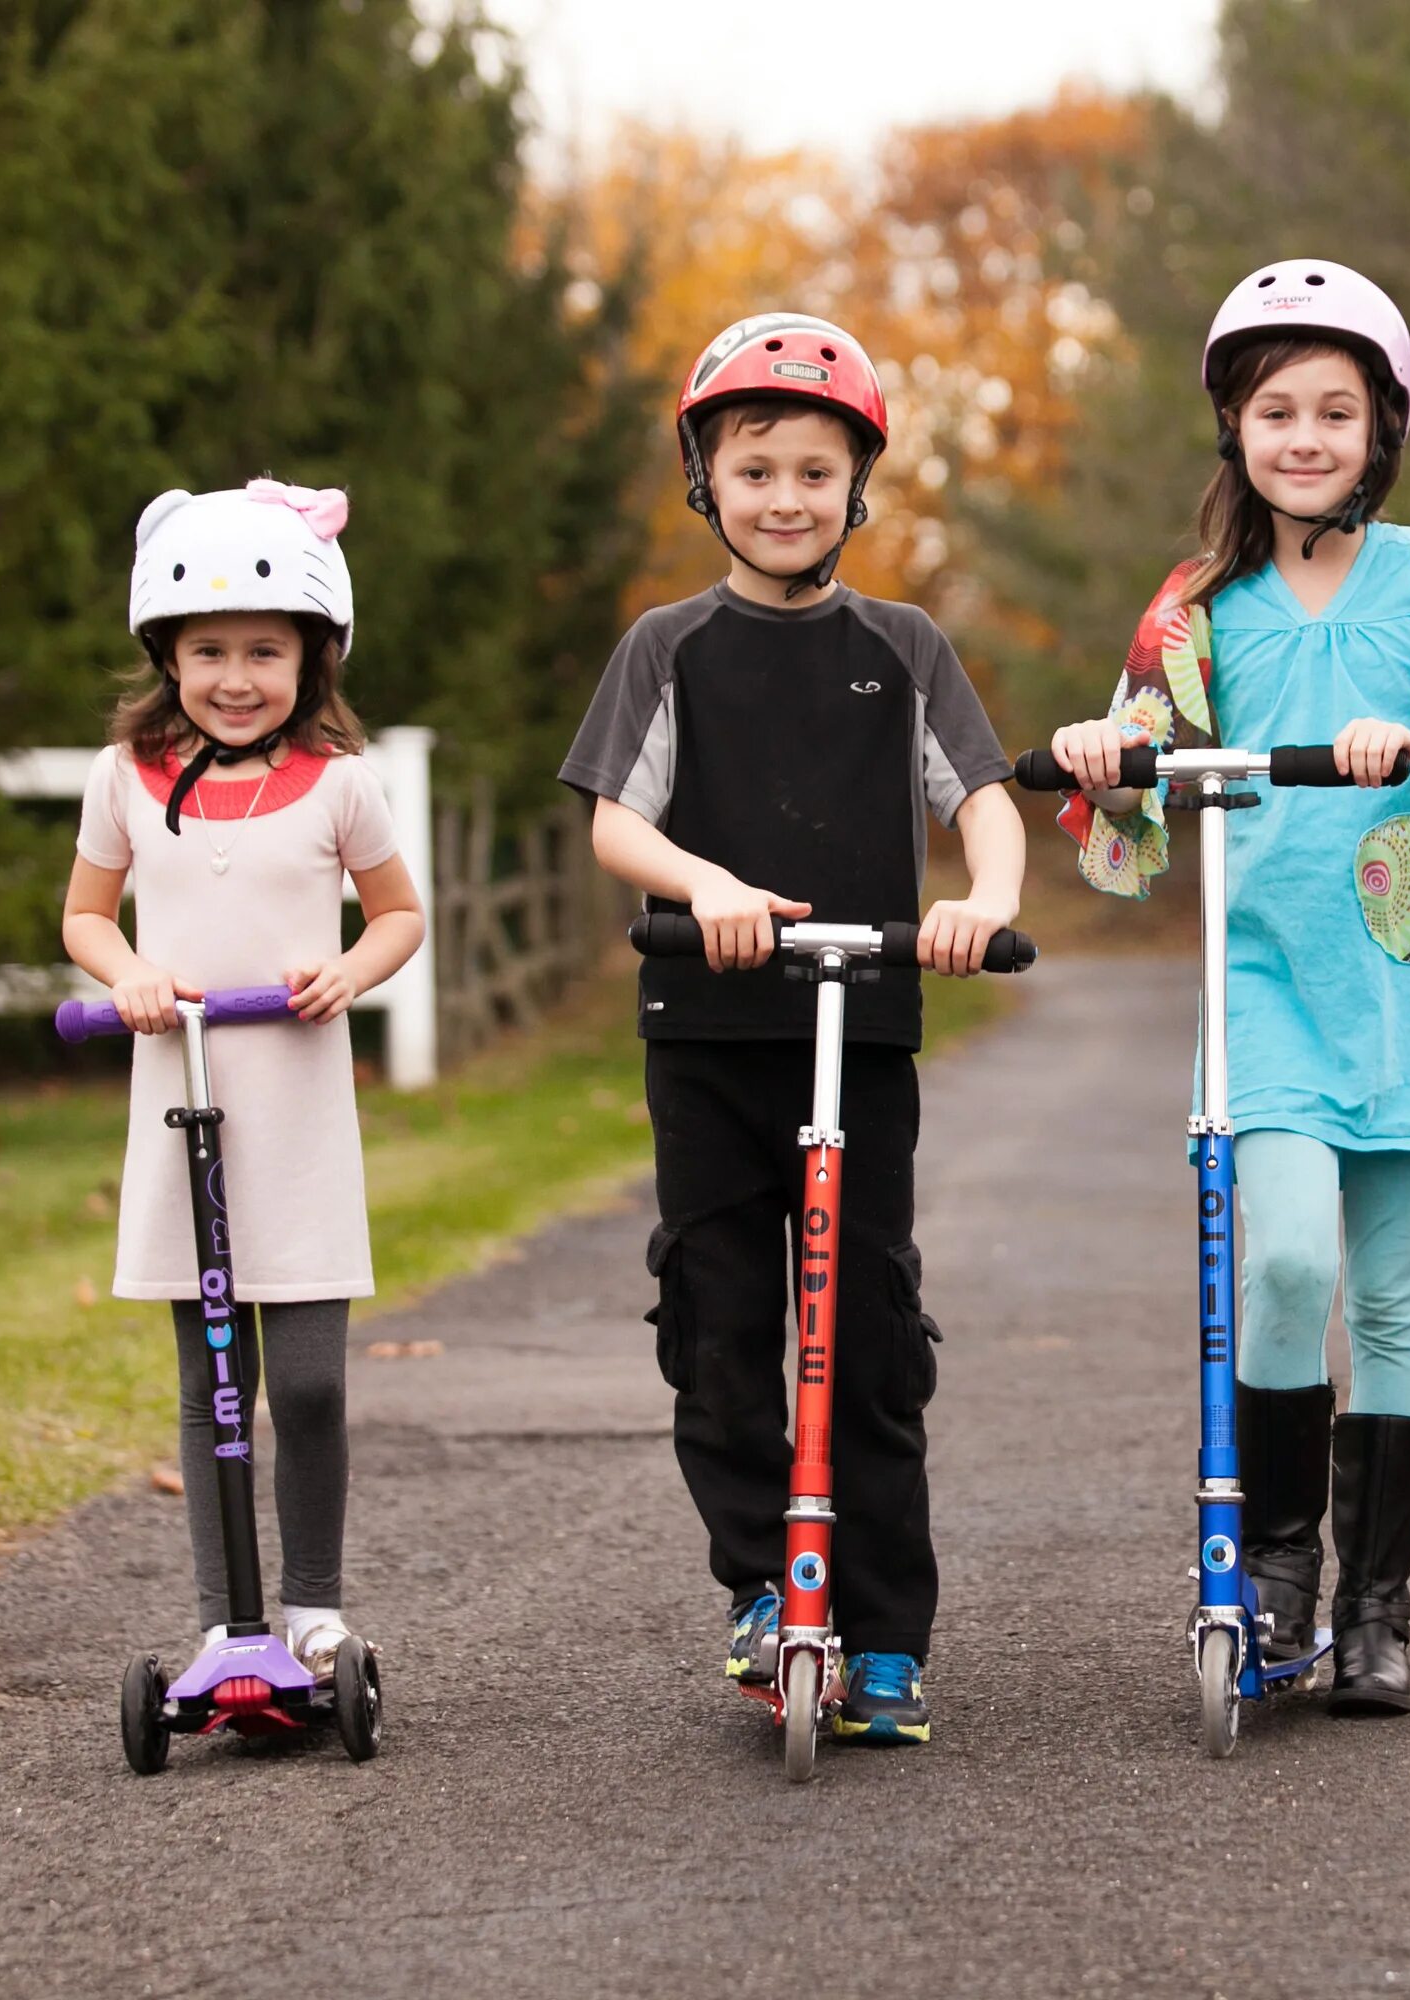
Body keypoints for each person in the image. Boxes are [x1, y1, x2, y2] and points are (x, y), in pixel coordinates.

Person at [1048, 260, 1410, 1715]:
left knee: (1391, 1293)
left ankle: (1378, 1604)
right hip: (1263, 971)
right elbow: (1143, 757)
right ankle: (1277, 1569)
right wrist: (1103, 746)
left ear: (1380, 430)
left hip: (1407, 969)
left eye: (1337, 410)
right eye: (1281, 409)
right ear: (1236, 425)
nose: (1308, 436)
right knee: (1283, 1261)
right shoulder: (1201, 600)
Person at [560, 313, 1022, 1746]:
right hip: (707, 1024)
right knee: (722, 1325)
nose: (784, 497)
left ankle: (884, 1633)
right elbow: (616, 822)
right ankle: (766, 1584)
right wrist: (705, 885)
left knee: (868, 1333)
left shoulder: (906, 646)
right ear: (708, 479)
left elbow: (985, 801)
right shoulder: (670, 647)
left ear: (855, 488)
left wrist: (980, 899)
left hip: (859, 1026)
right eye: (755, 468)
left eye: (814, 472)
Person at [62, 479, 425, 1677]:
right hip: (183, 1101)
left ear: (312, 655)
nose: (234, 676)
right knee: (214, 1378)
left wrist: (347, 970)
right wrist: (131, 975)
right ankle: (227, 1618)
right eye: (207, 649)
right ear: (165, 651)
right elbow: (84, 916)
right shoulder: (124, 772)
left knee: (307, 1381)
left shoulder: (339, 784)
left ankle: (311, 1604)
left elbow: (399, 916)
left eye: (263, 651)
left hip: (297, 1109)